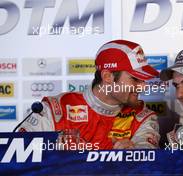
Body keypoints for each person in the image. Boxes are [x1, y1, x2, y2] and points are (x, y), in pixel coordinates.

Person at [18, 40, 160, 149]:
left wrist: (135, 156)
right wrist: (56, 152)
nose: (143, 86)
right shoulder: (56, 110)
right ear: (107, 77)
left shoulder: (143, 116)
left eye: (143, 80)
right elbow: (18, 154)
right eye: (135, 79)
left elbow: (149, 159)